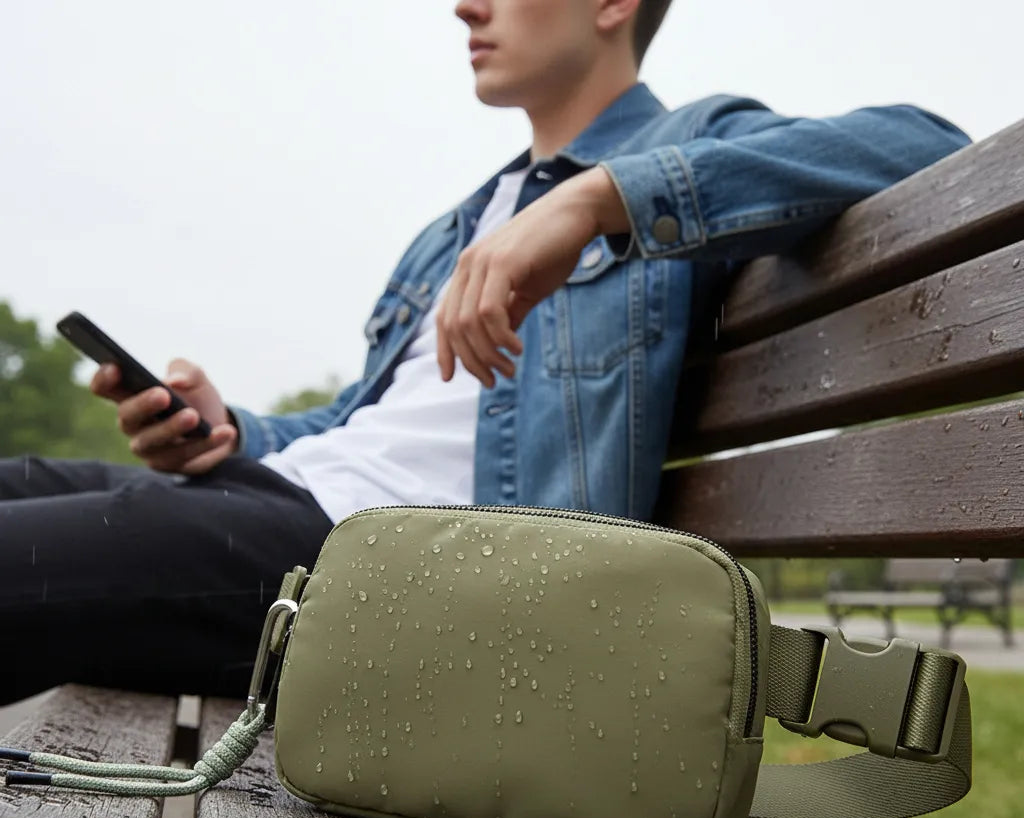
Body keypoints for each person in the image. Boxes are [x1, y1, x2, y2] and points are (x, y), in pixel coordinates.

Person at [1, 0, 969, 702]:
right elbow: (358, 425)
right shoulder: (460, 224)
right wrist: (230, 427)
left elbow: (918, 147)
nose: (464, 6)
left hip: (398, 570)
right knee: (20, 480)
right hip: (285, 504)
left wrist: (601, 199)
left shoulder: (693, 144)